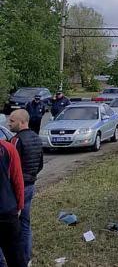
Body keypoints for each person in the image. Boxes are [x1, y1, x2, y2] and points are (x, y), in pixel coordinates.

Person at [4, 110, 43, 266]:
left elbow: (10, 168)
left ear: (21, 122)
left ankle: (14, 258)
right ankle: (26, 258)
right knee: (26, 222)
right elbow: (40, 164)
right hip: (31, 185)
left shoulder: (16, 140)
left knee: (11, 225)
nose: (9, 123)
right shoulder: (37, 138)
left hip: (17, 189)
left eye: (12, 121)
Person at [0, 139, 26, 267]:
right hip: (7, 210)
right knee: (15, 256)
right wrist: (19, 205)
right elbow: (18, 180)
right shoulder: (7, 148)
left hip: (7, 210)